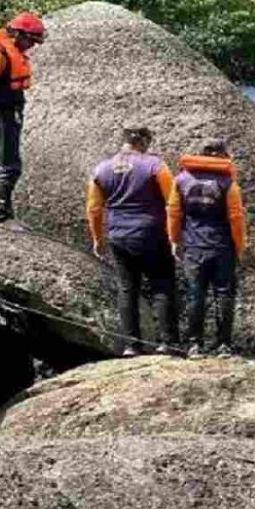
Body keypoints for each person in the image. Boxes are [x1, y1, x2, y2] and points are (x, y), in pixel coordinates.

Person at [86, 127, 179, 356]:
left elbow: (94, 208)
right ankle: (168, 343)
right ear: (143, 142)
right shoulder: (155, 165)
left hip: (118, 235)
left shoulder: (101, 169)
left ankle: (132, 345)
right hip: (152, 233)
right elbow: (173, 202)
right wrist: (175, 236)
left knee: (127, 289)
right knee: (162, 286)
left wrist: (98, 239)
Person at [168, 138, 248, 358]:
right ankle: (224, 345)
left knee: (196, 295)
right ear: (223, 155)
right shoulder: (228, 184)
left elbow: (174, 213)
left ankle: (195, 345)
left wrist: (174, 240)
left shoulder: (181, 180)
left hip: (194, 247)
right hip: (222, 247)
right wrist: (240, 246)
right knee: (224, 294)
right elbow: (236, 218)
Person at [0, 12, 46, 226]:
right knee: (8, 165)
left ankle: (4, 212)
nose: (31, 46)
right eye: (30, 41)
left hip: (9, 113)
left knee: (7, 163)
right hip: (0, 115)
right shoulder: (0, 54)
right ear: (18, 35)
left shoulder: (11, 51)